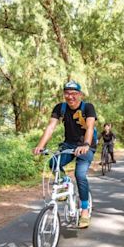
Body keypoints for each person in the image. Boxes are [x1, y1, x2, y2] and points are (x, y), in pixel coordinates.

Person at [33, 80, 97, 229]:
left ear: (80, 95)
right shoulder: (60, 108)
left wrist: (86, 145)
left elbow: (89, 128)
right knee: (53, 163)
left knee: (80, 174)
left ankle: (85, 211)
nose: (70, 97)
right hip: (69, 145)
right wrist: (40, 146)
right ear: (64, 95)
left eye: (74, 93)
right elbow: (50, 127)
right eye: (67, 93)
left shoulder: (88, 107)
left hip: (86, 146)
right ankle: (66, 181)